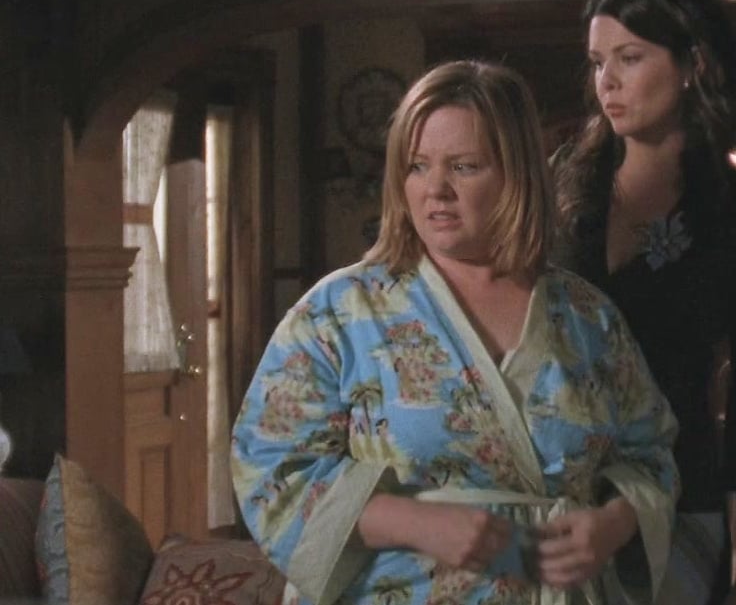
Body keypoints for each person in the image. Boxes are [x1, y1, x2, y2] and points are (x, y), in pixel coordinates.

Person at [232, 60, 679, 605]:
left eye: (464, 167)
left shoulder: (588, 318)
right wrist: (412, 521)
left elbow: (650, 453)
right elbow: (268, 467)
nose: (436, 190)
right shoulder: (339, 314)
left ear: (516, 174)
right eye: (417, 166)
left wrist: (613, 523)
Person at [552, 0, 736, 605]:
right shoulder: (562, 191)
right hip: (557, 503)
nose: (607, 81)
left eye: (629, 58)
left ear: (693, 64)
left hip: (681, 502)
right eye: (598, 62)